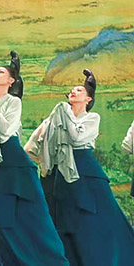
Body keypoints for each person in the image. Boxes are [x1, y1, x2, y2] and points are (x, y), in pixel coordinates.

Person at [0, 52, 67, 265]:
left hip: (14, 163)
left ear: (11, 81)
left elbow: (4, 130)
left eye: (1, 72)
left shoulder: (13, 102)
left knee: (32, 218)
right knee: (0, 223)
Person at [25, 69, 134, 265]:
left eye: (79, 90)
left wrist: (65, 114)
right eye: (72, 90)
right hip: (61, 176)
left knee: (99, 222)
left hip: (86, 173)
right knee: (66, 225)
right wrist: (47, 162)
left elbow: (76, 138)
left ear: (88, 99)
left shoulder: (91, 118)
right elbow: (31, 147)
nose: (73, 92)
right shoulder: (54, 118)